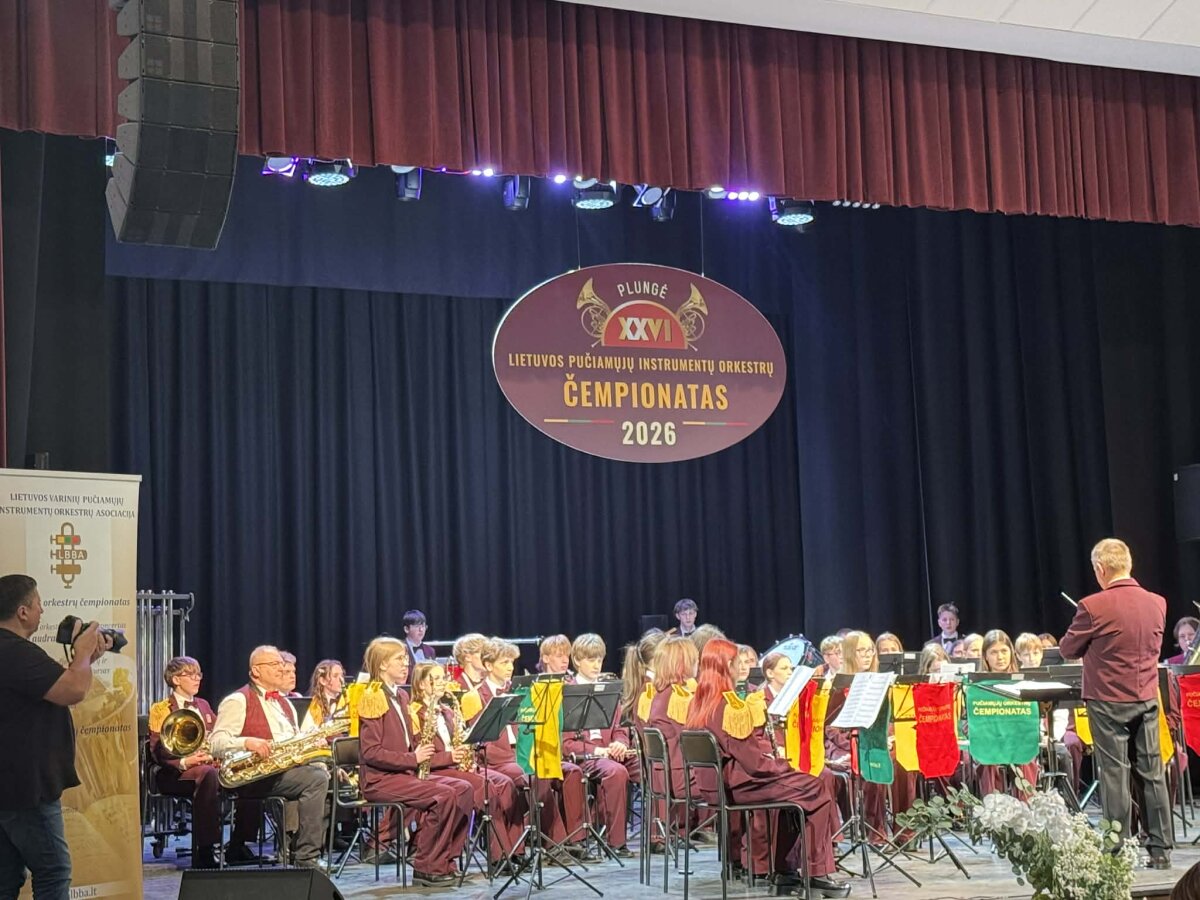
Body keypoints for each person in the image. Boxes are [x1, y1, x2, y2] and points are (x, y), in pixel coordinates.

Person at [685, 639, 849, 898]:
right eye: (737, 662)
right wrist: (783, 765)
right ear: (727, 665)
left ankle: (786, 873)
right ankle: (816, 874)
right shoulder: (728, 706)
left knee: (796, 792)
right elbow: (754, 763)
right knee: (816, 787)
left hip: (716, 786)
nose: (741, 667)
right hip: (740, 786)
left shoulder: (699, 702)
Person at [1060, 538, 1172, 868]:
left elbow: (1068, 648)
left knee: (1114, 773)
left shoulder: (1092, 606)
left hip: (1107, 699)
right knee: (1151, 772)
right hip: (1146, 697)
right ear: (1128, 564)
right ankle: (1160, 850)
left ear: (1101, 569)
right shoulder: (1158, 603)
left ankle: (1116, 849)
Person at [0, 574, 111, 900]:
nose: (42, 610)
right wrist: (83, 652)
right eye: (38, 604)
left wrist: (85, 661)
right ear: (22, 612)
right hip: (25, 788)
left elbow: (55, 686)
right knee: (53, 872)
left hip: (8, 784)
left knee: (5, 878)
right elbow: (72, 690)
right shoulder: (15, 651)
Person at [356, 638, 472, 884]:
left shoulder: (401, 695)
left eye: (405, 659)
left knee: (463, 789)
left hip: (404, 773)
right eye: (399, 659)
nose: (405, 663)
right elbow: (371, 752)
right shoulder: (372, 695)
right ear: (383, 664)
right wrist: (413, 758)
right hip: (380, 779)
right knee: (442, 796)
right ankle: (428, 867)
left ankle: (446, 860)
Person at [209, 645, 331, 868]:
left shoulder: (285, 703)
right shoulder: (238, 700)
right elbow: (216, 743)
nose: (281, 669)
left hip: (283, 771)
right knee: (316, 779)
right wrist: (247, 742)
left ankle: (296, 847)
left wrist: (312, 743)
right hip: (252, 776)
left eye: (281, 664)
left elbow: (293, 739)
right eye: (275, 664)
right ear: (256, 670)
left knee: (323, 771)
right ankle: (306, 856)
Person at [147, 656, 260, 868]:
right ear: (176, 679)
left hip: (207, 766)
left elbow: (217, 736)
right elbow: (157, 750)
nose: (197, 678)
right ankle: (206, 849)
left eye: (198, 674)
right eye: (191, 674)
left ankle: (238, 844)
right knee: (208, 774)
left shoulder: (204, 705)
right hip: (175, 773)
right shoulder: (161, 709)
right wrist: (185, 761)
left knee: (250, 772)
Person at [408, 661, 523, 866]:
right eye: (436, 678)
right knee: (486, 787)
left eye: (443, 678)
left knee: (505, 783)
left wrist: (467, 757)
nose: (443, 682)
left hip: (457, 767)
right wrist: (451, 757)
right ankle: (500, 856)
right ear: (422, 684)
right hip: (437, 770)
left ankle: (516, 850)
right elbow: (419, 757)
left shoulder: (447, 711)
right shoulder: (415, 714)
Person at [563, 634, 637, 858]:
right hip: (585, 757)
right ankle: (616, 842)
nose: (597, 665)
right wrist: (599, 751)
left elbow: (620, 728)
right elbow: (565, 743)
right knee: (616, 771)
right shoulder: (566, 692)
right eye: (591, 660)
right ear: (577, 660)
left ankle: (659, 835)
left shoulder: (608, 690)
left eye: (599, 660)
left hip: (610, 753)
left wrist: (620, 743)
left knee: (649, 766)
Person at [975, 630, 1038, 798]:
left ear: (1011, 653)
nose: (1000, 657)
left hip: (1018, 738)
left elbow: (1031, 717)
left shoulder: (1023, 681)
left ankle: (1026, 806)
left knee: (1025, 756)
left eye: (1004, 651)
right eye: (994, 652)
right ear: (985, 656)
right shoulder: (976, 685)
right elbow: (970, 722)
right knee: (987, 758)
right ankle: (993, 808)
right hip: (989, 740)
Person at [301, 659, 347, 731]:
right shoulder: (313, 706)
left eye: (342, 675)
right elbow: (306, 731)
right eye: (335, 676)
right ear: (323, 681)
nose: (341, 680)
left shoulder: (347, 701)